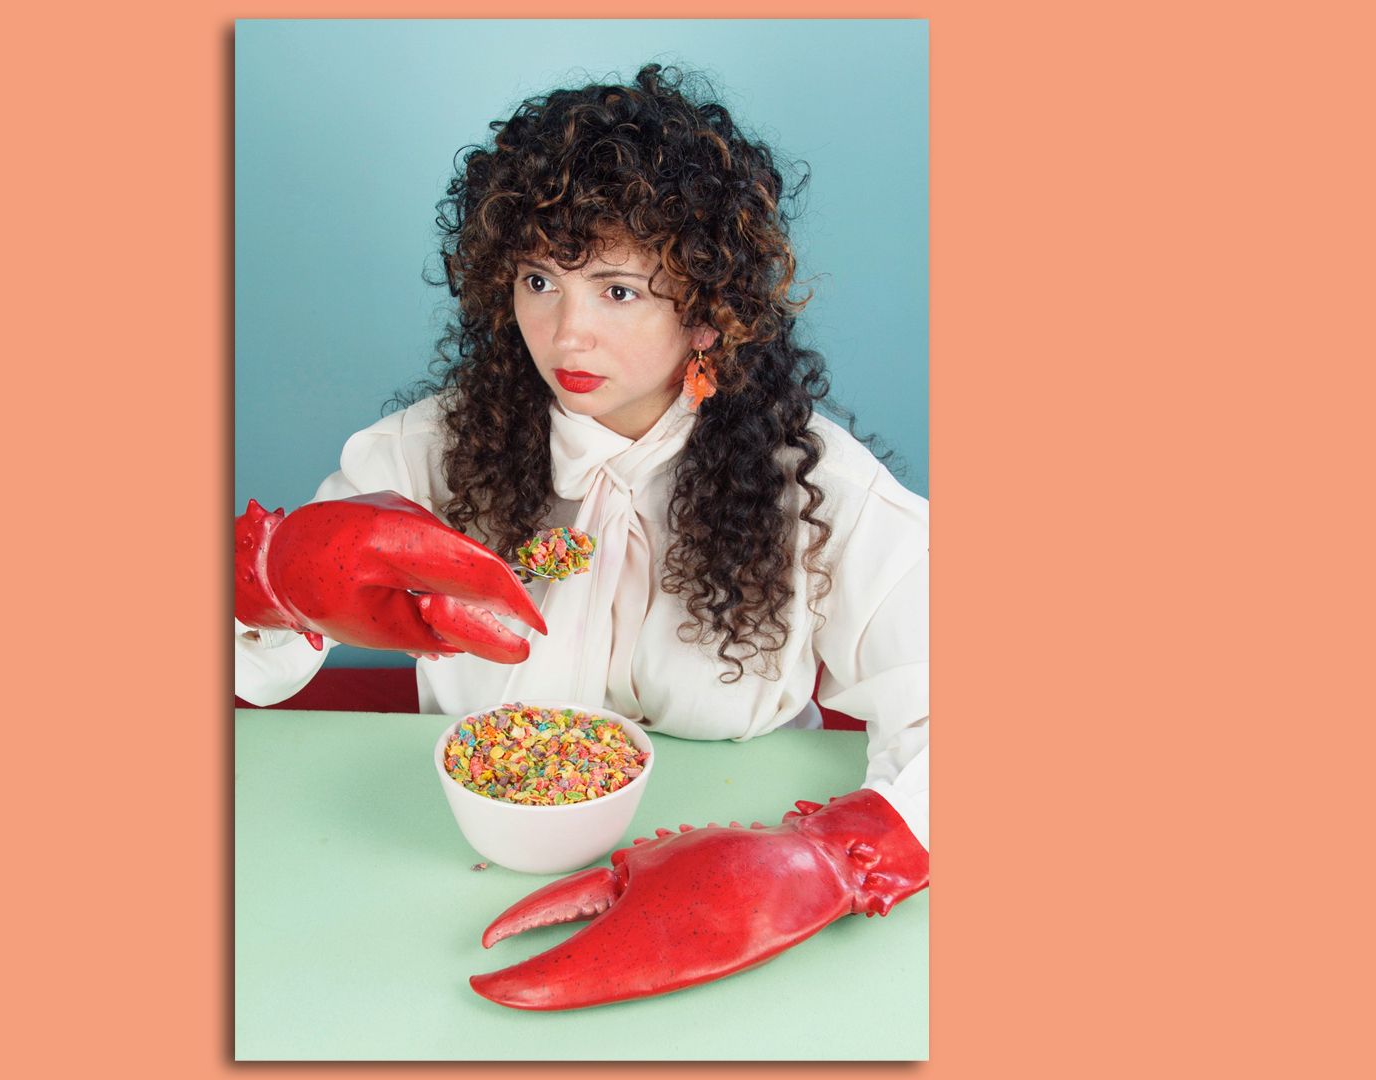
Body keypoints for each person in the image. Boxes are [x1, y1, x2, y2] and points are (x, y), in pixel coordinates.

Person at [235, 63, 927, 1009]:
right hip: (437, 882)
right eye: (537, 280)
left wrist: (830, 861)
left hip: (746, 914)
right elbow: (256, 671)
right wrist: (269, 580)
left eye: (618, 290)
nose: (566, 334)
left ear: (711, 312)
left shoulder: (821, 485)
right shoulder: (421, 454)